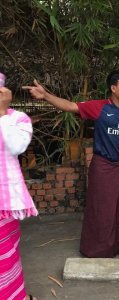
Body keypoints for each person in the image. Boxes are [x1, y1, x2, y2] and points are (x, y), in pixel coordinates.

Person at [23, 71, 119, 258]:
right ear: (113, 88)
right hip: (102, 167)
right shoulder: (100, 107)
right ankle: (98, 249)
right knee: (101, 208)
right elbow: (70, 106)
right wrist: (45, 95)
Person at [0, 87, 38, 300]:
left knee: (5, 255)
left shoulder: (18, 119)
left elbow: (16, 146)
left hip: (4, 204)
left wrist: (2, 114)